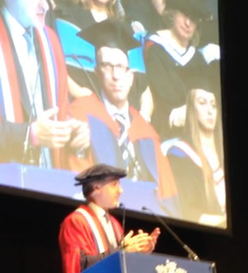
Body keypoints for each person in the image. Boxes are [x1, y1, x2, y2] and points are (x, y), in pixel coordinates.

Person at [0, 0, 90, 172]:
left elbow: (60, 115)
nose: (46, 6)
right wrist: (29, 134)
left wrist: (72, 133)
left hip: (48, 183)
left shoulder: (51, 41)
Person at [67, 19, 179, 215]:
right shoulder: (81, 115)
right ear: (97, 72)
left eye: (121, 67)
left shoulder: (146, 132)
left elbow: (169, 198)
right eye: (107, 66)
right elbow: (76, 185)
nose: (116, 76)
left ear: (131, 76)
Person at [55, 0, 154, 118]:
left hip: (129, 121)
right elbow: (56, 70)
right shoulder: (66, 19)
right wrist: (82, 95)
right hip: (85, 116)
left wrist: (142, 117)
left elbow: (143, 87)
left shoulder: (126, 25)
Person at [164, 62, 224, 226]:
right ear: (191, 108)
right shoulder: (179, 155)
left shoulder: (225, 154)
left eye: (213, 104)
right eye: (202, 103)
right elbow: (188, 211)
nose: (210, 110)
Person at [143, 0, 211, 139]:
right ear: (172, 12)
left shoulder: (198, 59)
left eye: (193, 19)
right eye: (184, 15)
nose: (187, 23)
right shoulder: (155, 47)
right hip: (164, 128)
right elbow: (162, 96)